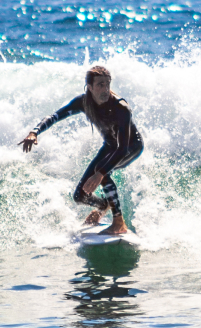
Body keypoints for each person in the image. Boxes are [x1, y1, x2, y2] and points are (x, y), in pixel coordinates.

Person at [19, 65, 143, 235]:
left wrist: (100, 174)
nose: (105, 89)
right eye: (100, 85)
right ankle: (102, 207)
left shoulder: (121, 108)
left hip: (130, 147)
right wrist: (35, 132)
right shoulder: (83, 102)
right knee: (80, 196)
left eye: (107, 84)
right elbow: (55, 116)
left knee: (103, 172)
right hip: (110, 146)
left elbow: (121, 149)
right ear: (89, 87)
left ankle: (118, 222)